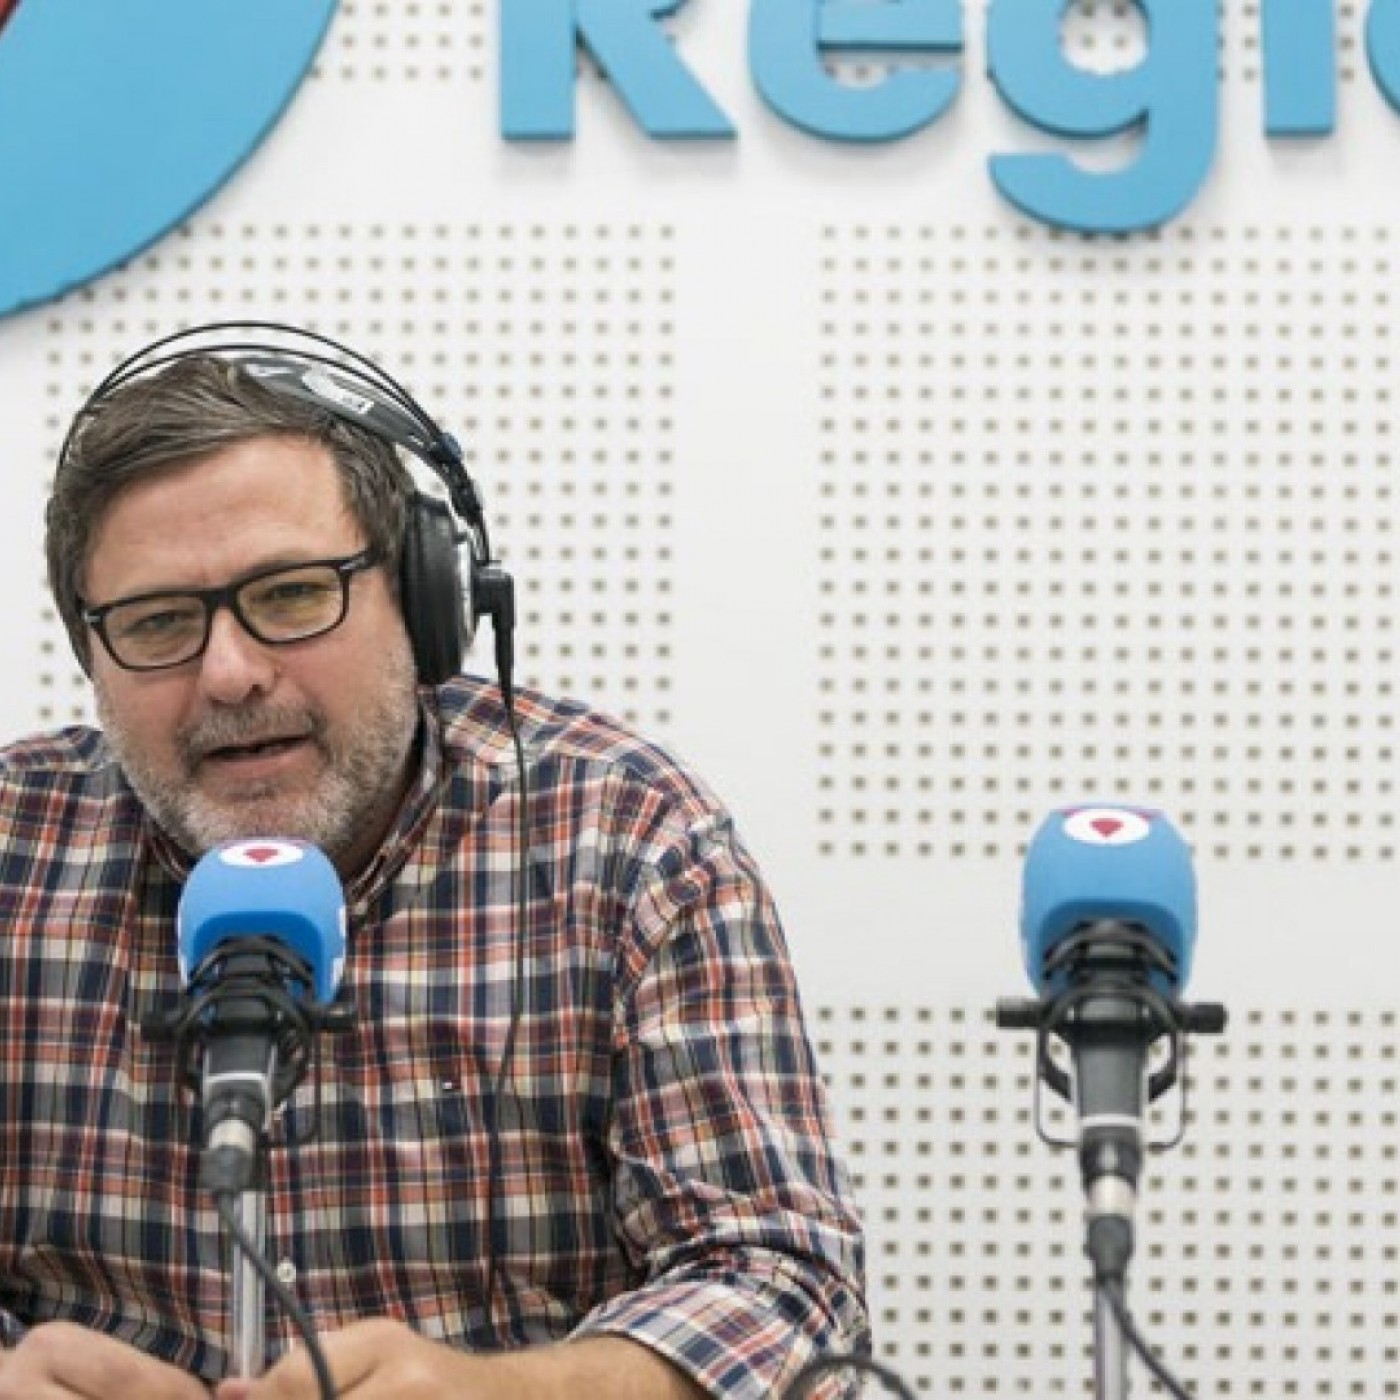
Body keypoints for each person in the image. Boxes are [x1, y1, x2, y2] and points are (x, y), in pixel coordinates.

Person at [0, 342, 869, 1399]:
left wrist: (509, 1393)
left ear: (426, 604)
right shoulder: (11, 850)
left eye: (290, 594)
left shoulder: (625, 837)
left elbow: (782, 1289)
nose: (229, 673)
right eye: (158, 622)